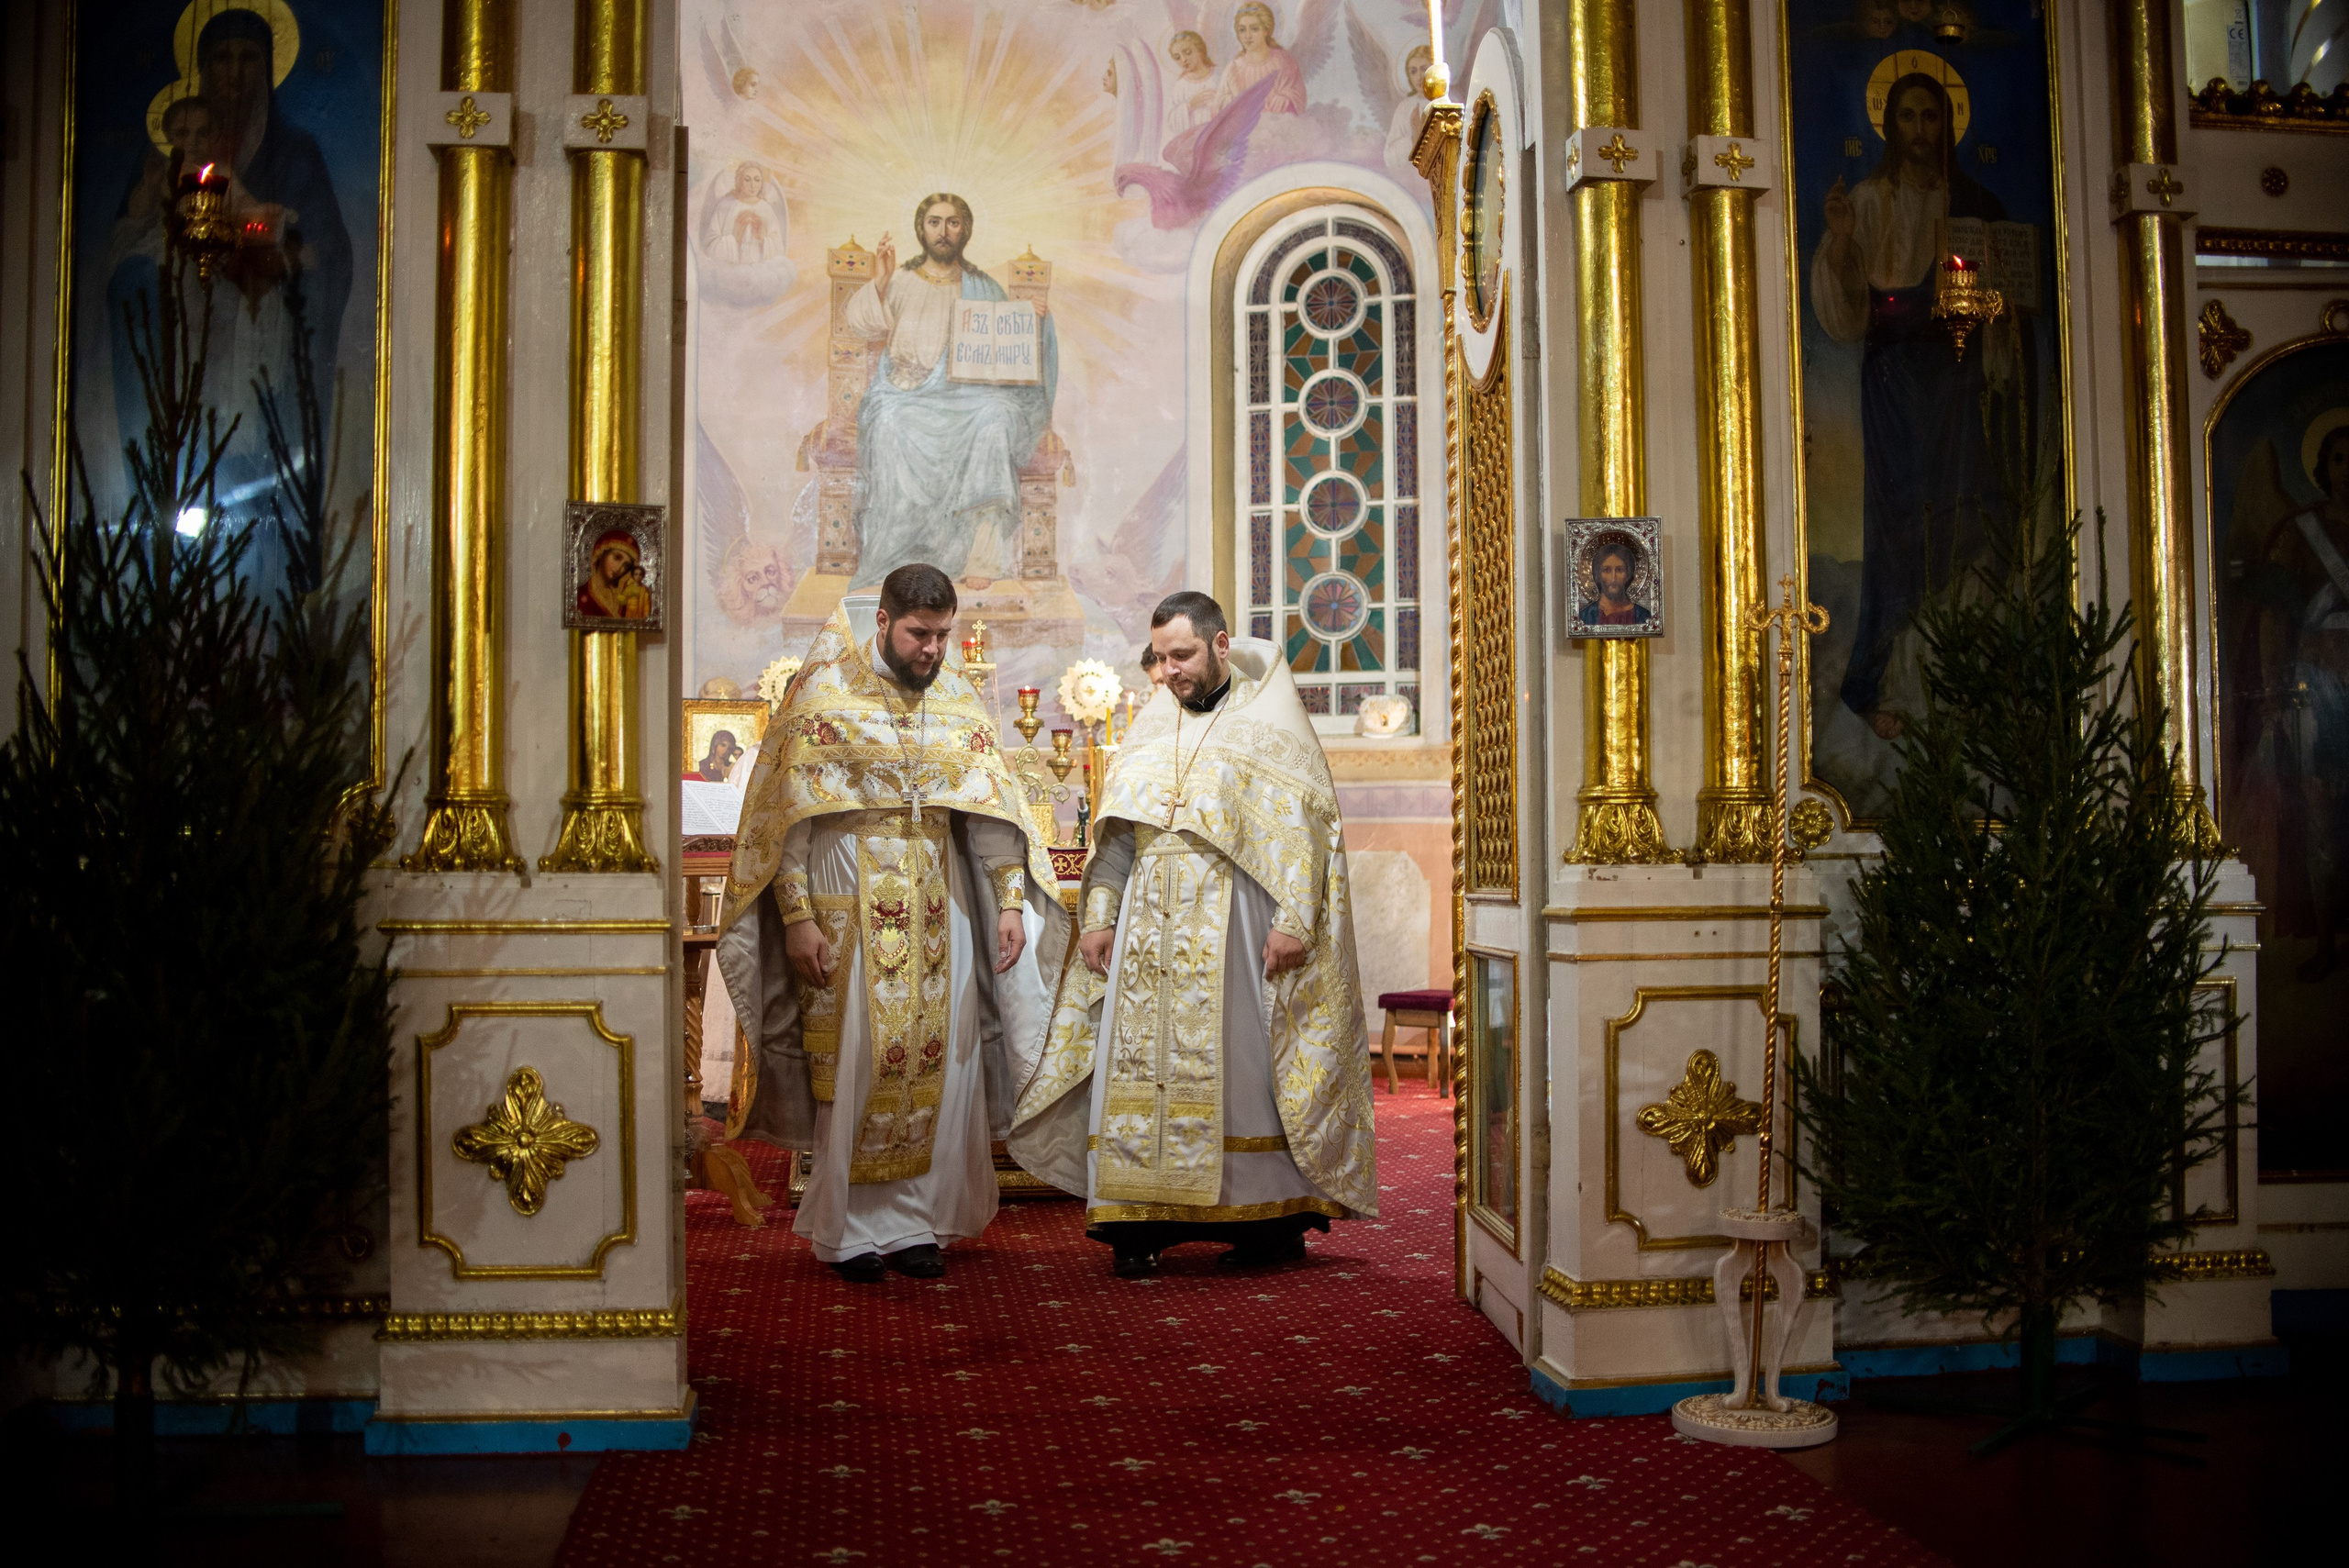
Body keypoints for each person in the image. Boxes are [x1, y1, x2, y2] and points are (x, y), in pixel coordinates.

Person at [716, 564, 1072, 1281]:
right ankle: (848, 1232)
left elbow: (992, 811)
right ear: (882, 622)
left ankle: (917, 1222)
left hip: (941, 902)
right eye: (919, 634)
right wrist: (797, 918)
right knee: (858, 1063)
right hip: (847, 893)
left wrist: (1009, 900)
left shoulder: (957, 698)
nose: (933, 649)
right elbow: (786, 821)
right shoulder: (823, 692)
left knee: (942, 1065)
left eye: (943, 635)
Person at [1008, 592, 1377, 1277]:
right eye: (1160, 658)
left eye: (1182, 655)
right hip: (1147, 926)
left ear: (1220, 645)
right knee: (1140, 1071)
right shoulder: (1153, 724)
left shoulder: (1269, 720)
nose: (1169, 670)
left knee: (1241, 1072)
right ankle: (1139, 1222)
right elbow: (1119, 834)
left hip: (1234, 922)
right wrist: (1099, 916)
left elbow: (1309, 831)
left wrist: (1294, 920)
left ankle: (1266, 1223)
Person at [1809, 70, 2011, 739]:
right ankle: (1877, 681)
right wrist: (1843, 240)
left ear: (1947, 126)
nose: (1921, 130)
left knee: (1962, 514)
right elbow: (1843, 311)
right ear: (1890, 125)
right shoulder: (1867, 202)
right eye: (1908, 116)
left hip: (1957, 382)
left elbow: (2008, 301)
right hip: (1895, 383)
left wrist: (1995, 313)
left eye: (1932, 116)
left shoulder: (1975, 204)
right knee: (1898, 527)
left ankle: (1958, 682)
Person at [842, 193, 1057, 592]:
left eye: (953, 222)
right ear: (921, 229)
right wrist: (882, 279)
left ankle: (981, 557)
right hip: (906, 394)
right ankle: (900, 555)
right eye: (935, 222)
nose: (944, 231)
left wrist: (1030, 316)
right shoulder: (901, 281)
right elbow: (859, 323)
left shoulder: (983, 287)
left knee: (996, 417)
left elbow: (1009, 348)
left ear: (965, 230)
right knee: (888, 423)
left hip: (967, 400)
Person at [576, 528, 652, 618]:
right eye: (617, 557)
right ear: (601, 552)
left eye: (626, 566)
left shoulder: (624, 598)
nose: (619, 568)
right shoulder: (580, 594)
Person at [1576, 537, 1652, 627]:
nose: (1613, 578)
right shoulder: (1585, 617)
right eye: (1606, 570)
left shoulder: (1643, 617)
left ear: (1628, 574)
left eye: (1619, 570)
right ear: (1598, 574)